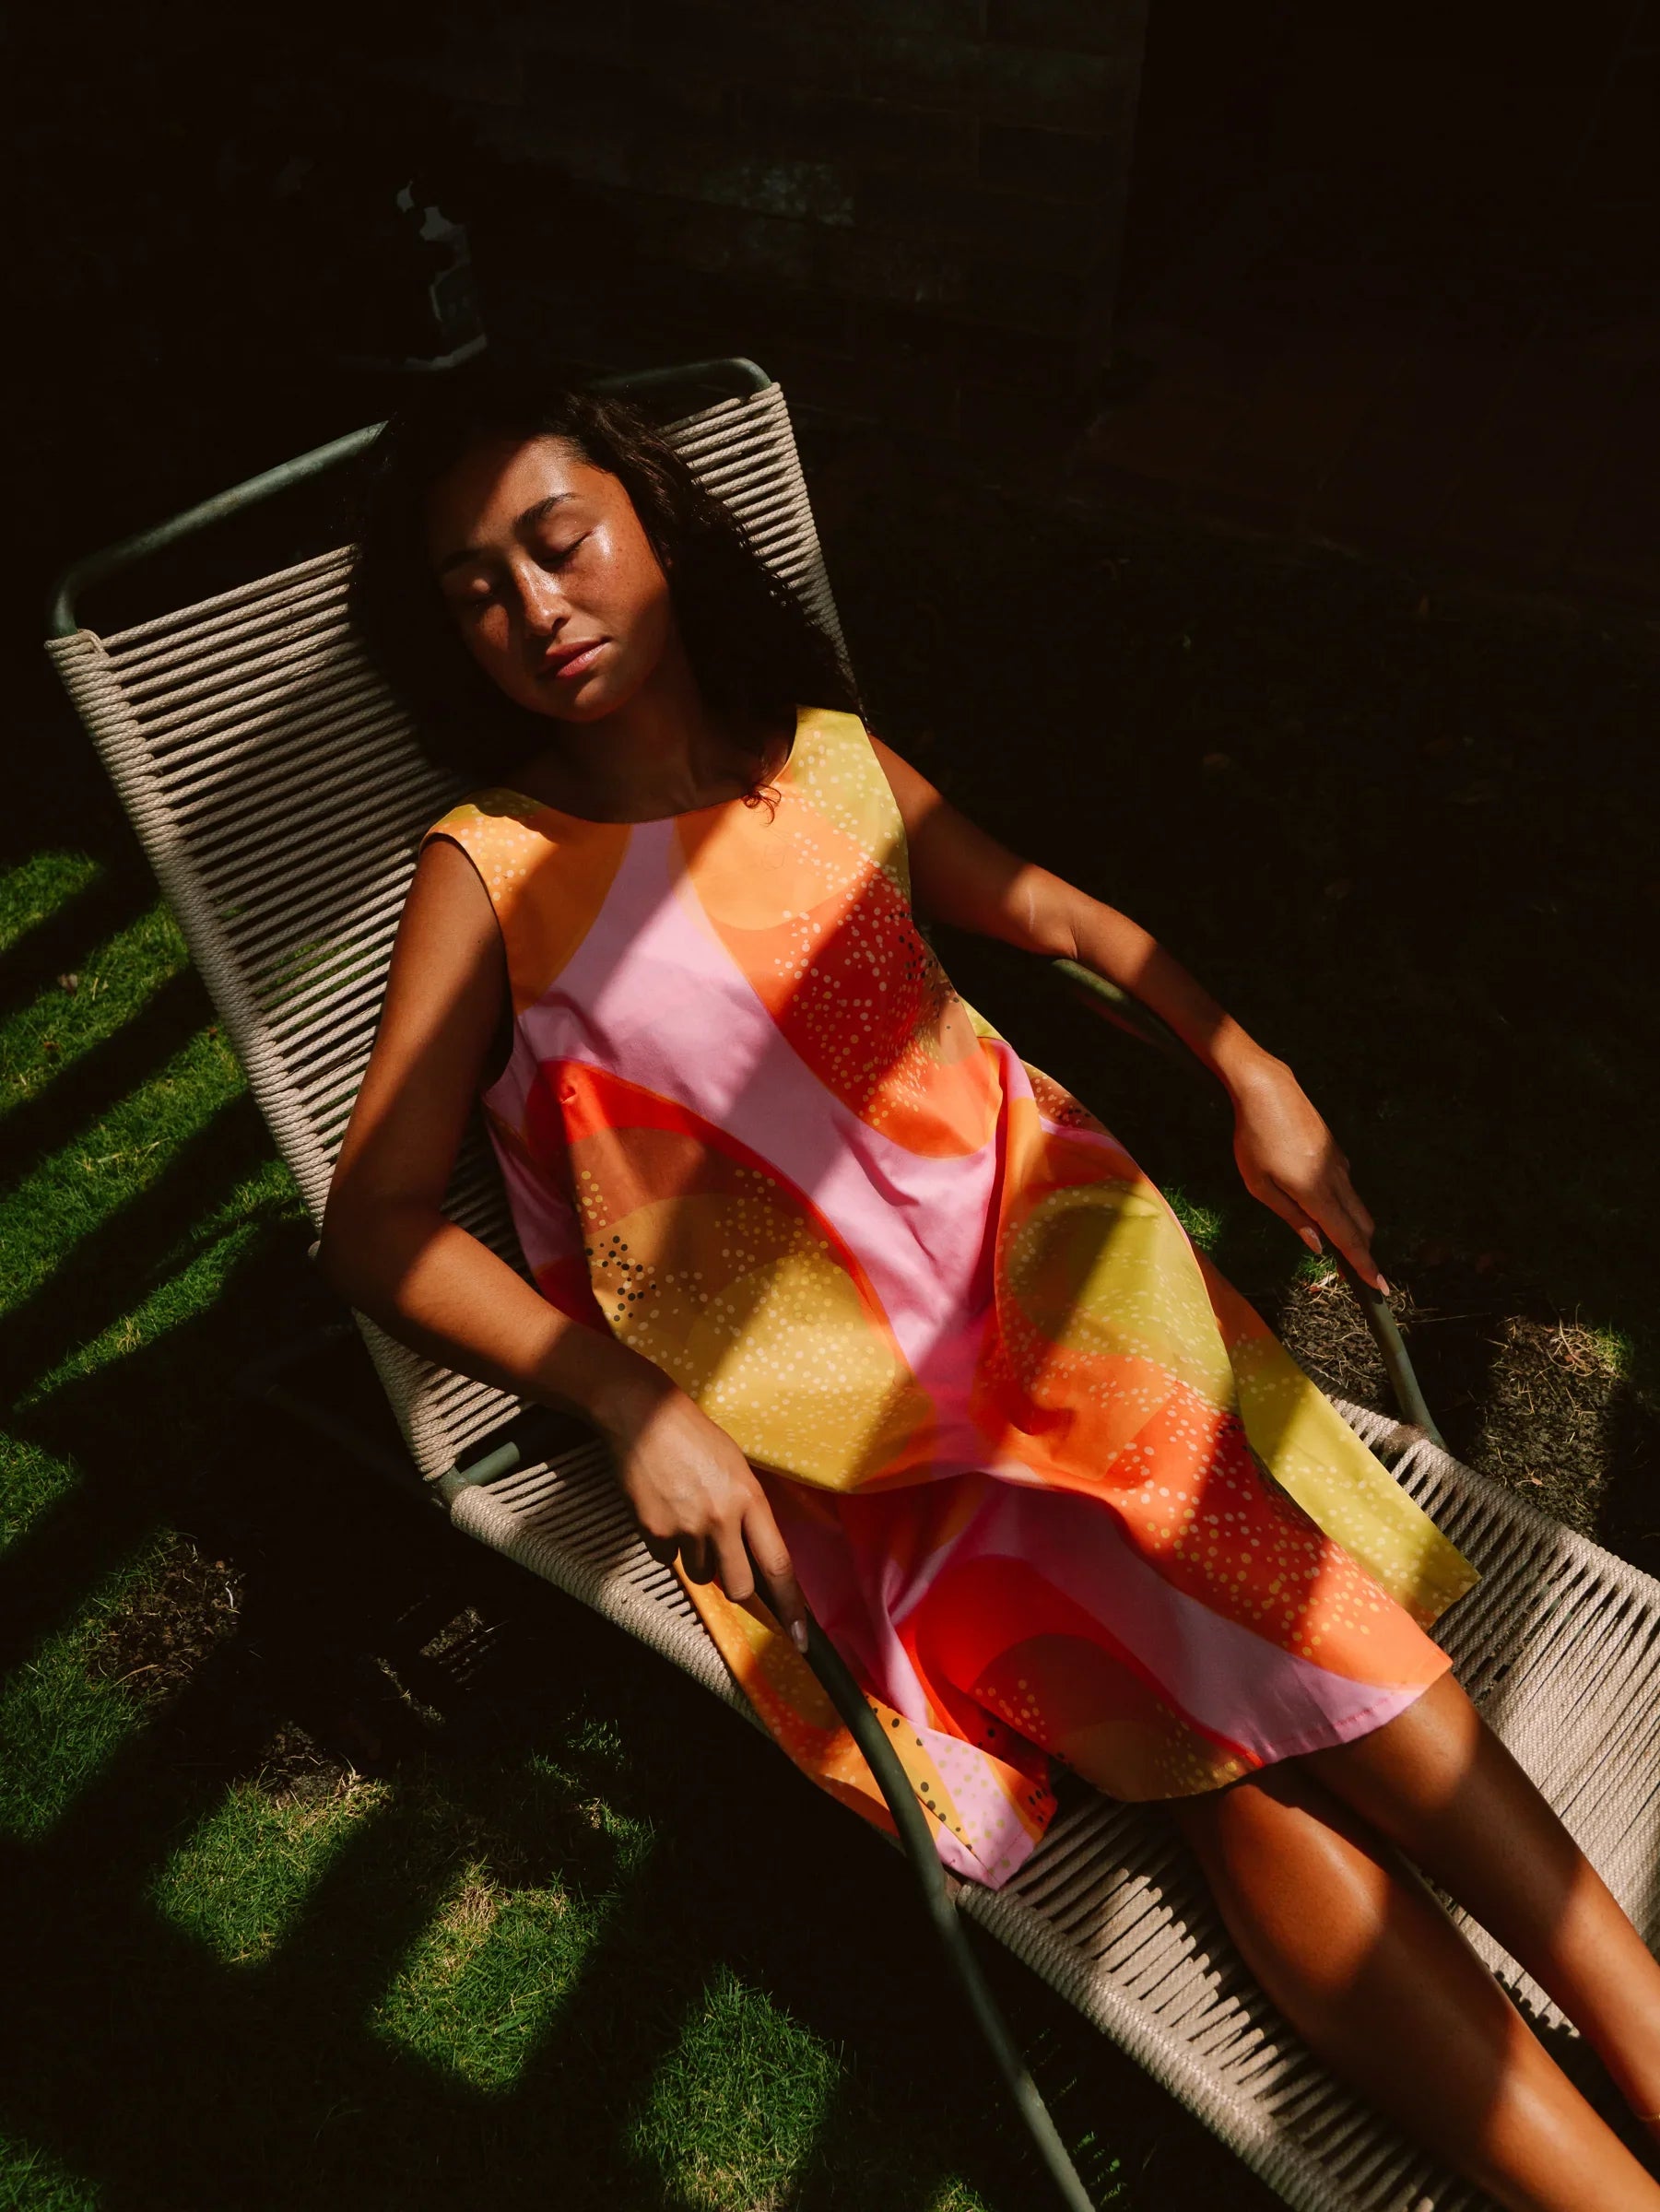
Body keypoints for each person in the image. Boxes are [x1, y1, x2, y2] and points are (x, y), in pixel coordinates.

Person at [320, 367, 1660, 2209]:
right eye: (476, 588)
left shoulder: (827, 763)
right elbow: (373, 1219)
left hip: (1056, 1303)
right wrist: (633, 1398)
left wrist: (1245, 1061)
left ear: (648, 525)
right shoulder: (494, 872)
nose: (534, 607)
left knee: (1219, 1565)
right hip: (863, 1432)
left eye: (557, 543)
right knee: (1224, 1613)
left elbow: (1049, 913)